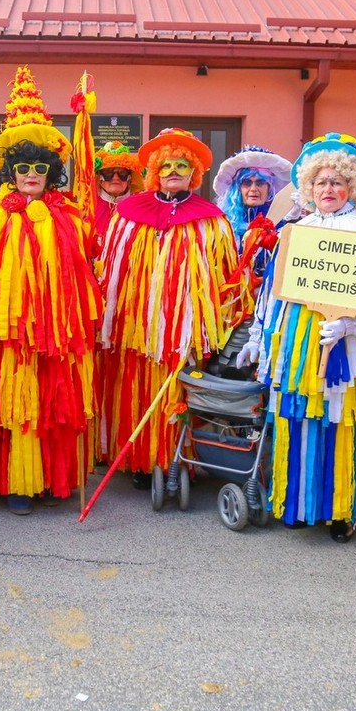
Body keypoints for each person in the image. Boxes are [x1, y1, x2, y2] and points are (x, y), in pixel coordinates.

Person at [0, 67, 102, 514]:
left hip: (55, 339)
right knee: (12, 406)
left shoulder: (72, 216)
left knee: (51, 405)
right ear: (10, 172)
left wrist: (81, 325)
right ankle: (17, 484)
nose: (32, 174)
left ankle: (47, 480)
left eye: (41, 167)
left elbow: (88, 273)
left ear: (51, 171)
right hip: (6, 337)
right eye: (23, 167)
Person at [249, 133, 356, 542]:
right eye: (320, 182)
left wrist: (352, 326)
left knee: (342, 421)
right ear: (309, 188)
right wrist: (260, 337)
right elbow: (271, 293)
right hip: (296, 345)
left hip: (343, 346)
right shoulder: (295, 231)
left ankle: (342, 510)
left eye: (336, 182)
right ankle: (299, 504)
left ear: (352, 187)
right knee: (296, 420)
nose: (328, 189)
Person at [99, 128, 239, 486]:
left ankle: (178, 459)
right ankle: (141, 461)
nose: (173, 171)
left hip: (183, 331)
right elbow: (111, 271)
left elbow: (224, 274)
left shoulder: (211, 220)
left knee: (178, 389)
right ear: (154, 172)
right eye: (166, 166)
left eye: (182, 165)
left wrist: (212, 322)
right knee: (135, 388)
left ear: (194, 174)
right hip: (135, 327)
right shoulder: (128, 213)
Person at [212, 144, 291, 261]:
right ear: (237, 189)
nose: (253, 189)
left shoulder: (282, 224)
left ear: (269, 188)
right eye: (247, 183)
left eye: (260, 183)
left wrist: (292, 221)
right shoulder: (221, 224)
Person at [92, 140, 142, 242]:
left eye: (122, 173)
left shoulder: (140, 208)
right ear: (100, 179)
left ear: (129, 179)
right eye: (109, 173)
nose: (115, 178)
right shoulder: (88, 208)